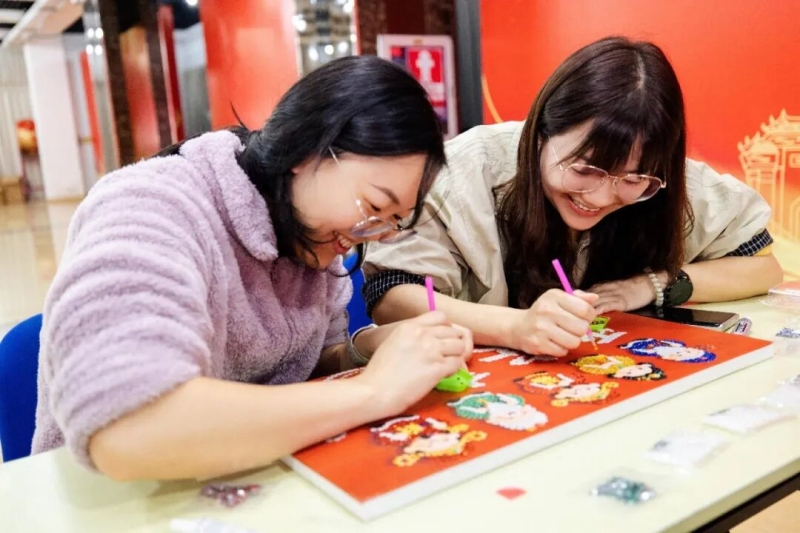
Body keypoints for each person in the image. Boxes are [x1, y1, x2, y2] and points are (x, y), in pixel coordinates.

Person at [31, 56, 473, 481]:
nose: (369, 234)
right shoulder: (152, 206)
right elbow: (127, 427)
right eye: (374, 206)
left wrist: (369, 348)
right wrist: (373, 391)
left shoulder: (311, 244)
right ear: (305, 150)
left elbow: (310, 366)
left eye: (393, 221)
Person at [362, 36, 782, 358]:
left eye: (632, 178)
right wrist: (514, 326)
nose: (599, 197)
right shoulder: (463, 170)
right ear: (540, 133)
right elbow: (392, 297)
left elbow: (763, 267)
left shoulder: (670, 183)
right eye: (584, 169)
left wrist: (651, 285)